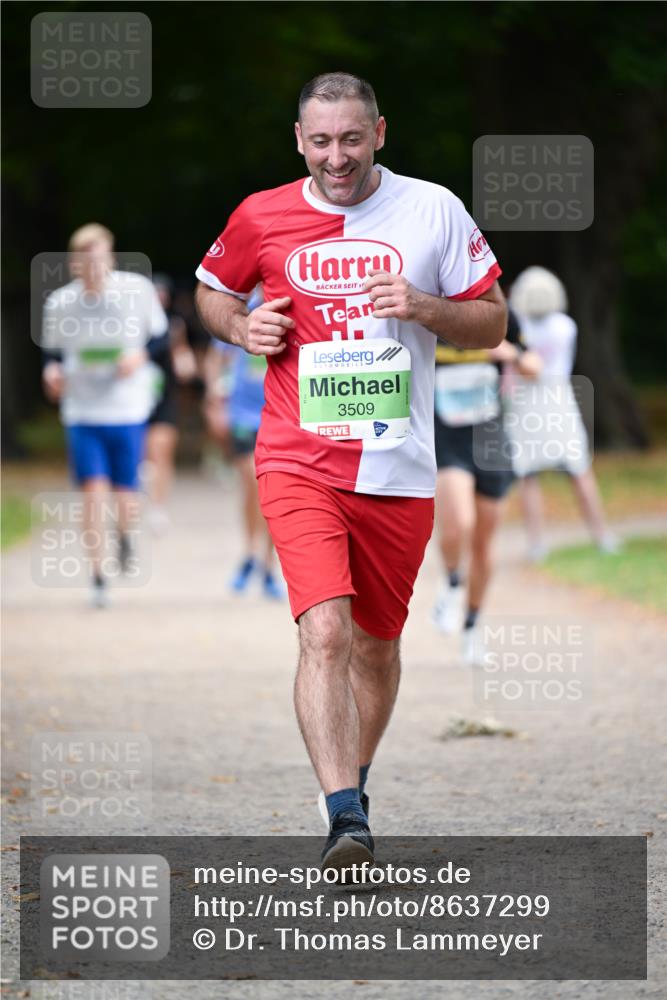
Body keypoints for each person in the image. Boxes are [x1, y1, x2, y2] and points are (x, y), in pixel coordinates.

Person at [194, 72, 506, 872]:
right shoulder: (261, 214)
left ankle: (354, 788)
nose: (337, 156)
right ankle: (341, 819)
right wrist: (242, 325)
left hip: (398, 469)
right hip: (298, 456)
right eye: (321, 140)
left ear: (379, 133)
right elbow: (212, 294)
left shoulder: (432, 209)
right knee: (323, 632)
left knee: (375, 645)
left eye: (352, 138)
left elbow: (491, 317)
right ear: (299, 139)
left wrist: (426, 307)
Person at [41, 224, 168, 606]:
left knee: (124, 494)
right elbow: (51, 353)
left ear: (110, 257)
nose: (93, 266)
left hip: (127, 407)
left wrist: (138, 356)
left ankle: (125, 535)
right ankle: (97, 577)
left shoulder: (136, 291)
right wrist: (51, 373)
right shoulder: (60, 303)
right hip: (81, 410)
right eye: (85, 260)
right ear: (75, 264)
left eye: (99, 258)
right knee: (92, 493)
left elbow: (160, 337)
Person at [431, 307, 542, 664]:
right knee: (458, 523)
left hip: (490, 437)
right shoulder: (427, 311)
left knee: (483, 543)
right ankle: (450, 584)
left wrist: (511, 353)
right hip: (446, 434)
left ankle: (472, 627)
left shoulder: (502, 314)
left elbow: (535, 367)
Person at [506, 266, 619, 561]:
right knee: (578, 470)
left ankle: (537, 543)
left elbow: (523, 365)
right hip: (558, 401)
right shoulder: (565, 326)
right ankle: (601, 535)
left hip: (527, 403)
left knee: (529, 475)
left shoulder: (519, 328)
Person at [203, 287, 285, 599]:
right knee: (253, 482)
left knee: (274, 490)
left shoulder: (292, 310)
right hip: (242, 414)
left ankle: (267, 564)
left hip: (279, 413)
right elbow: (215, 358)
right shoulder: (242, 310)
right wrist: (214, 400)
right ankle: (250, 552)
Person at [144, 274, 197, 535]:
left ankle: (157, 507)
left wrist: (179, 348)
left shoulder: (175, 326)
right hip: (134, 401)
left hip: (165, 397)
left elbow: (185, 369)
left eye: (162, 293)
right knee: (143, 457)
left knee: (161, 451)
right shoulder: (130, 326)